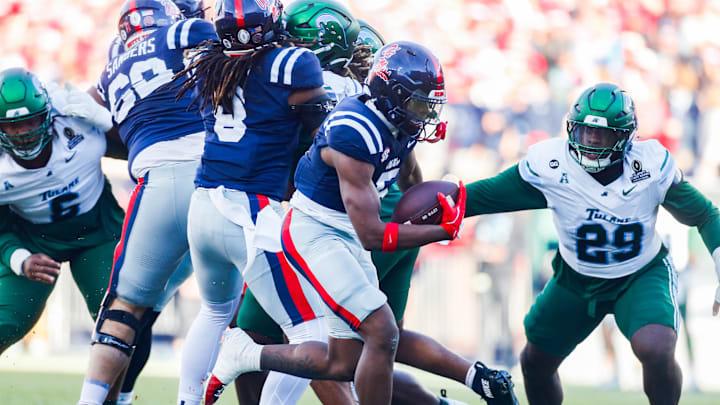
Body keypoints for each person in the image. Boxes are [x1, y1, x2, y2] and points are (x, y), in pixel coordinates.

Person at [233, 13, 517, 405]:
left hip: (350, 229)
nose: (360, 61)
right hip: (372, 224)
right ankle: (462, 386)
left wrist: (437, 225)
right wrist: (429, 223)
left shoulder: (309, 90)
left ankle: (242, 364)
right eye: (357, 53)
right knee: (378, 337)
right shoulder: (365, 117)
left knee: (288, 333)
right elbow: (411, 185)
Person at [462, 82, 720, 405]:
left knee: (656, 346)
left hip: (639, 273)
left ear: (626, 136)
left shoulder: (650, 165)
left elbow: (705, 214)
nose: (593, 141)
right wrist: (446, 204)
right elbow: (484, 195)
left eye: (604, 134)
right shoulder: (552, 164)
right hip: (576, 277)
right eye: (585, 131)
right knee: (535, 361)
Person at [171, 1, 335, 404]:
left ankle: (187, 400)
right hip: (251, 212)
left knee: (213, 313)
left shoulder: (208, 64)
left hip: (204, 204)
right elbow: (318, 131)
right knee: (312, 334)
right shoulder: (294, 64)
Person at [76, 1, 218, 404]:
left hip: (161, 184)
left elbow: (89, 110)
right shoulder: (180, 34)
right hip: (222, 181)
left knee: (125, 310)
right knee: (231, 313)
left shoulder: (110, 65)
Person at [0, 67, 121, 354]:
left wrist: (105, 120)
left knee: (120, 322)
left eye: (30, 122)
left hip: (98, 233)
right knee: (6, 323)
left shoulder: (78, 124)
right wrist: (19, 259)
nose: (22, 134)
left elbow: (140, 149)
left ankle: (119, 397)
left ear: (48, 115)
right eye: (11, 126)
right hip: (34, 242)